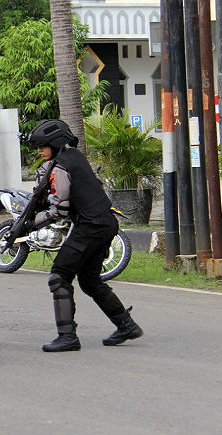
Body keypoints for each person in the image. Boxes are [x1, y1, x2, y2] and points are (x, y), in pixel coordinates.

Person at [26, 119, 143, 352]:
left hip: (90, 226)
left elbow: (59, 209)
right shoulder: (75, 157)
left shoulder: (60, 166)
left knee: (59, 276)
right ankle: (126, 325)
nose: (39, 150)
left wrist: (31, 223)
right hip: (105, 222)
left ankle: (67, 336)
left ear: (55, 143)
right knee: (89, 280)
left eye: (43, 145)